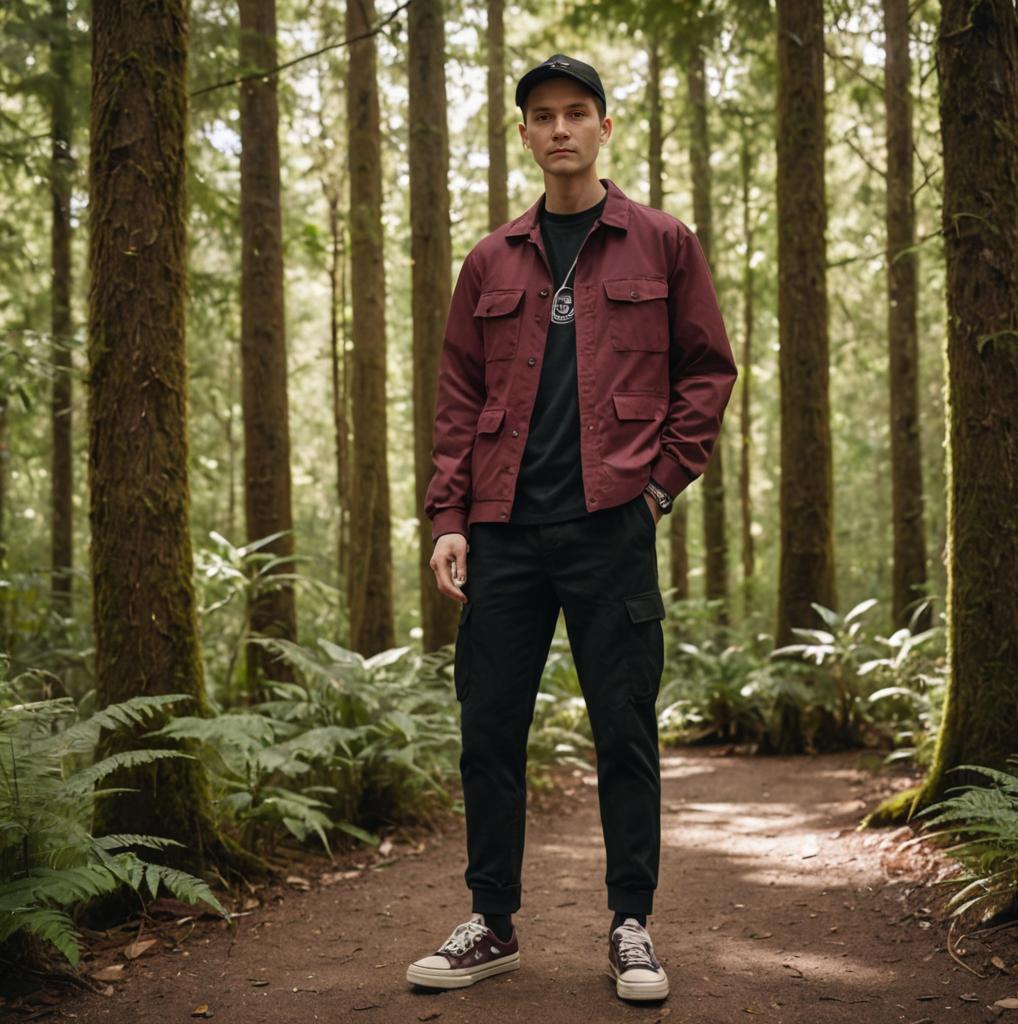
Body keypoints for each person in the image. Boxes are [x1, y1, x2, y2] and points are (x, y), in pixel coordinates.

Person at [407, 53, 736, 1002]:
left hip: (609, 529)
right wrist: (449, 517)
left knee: (624, 731)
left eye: (576, 113)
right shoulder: (489, 260)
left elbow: (706, 373)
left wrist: (659, 487)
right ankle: (491, 924)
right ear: (523, 134)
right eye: (542, 115)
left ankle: (632, 925)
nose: (559, 129)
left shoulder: (663, 243)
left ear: (602, 127)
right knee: (489, 733)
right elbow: (457, 397)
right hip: (504, 531)